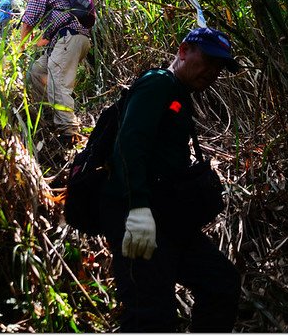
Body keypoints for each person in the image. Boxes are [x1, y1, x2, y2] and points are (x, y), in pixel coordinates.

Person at [100, 26, 241, 332]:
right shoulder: (158, 84)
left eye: (219, 67)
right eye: (208, 59)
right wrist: (137, 207)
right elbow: (128, 144)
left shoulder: (179, 96)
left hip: (166, 219)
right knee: (150, 315)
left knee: (221, 282)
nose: (212, 71)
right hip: (135, 215)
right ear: (183, 51)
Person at [11, 0, 91, 142]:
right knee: (35, 71)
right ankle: (51, 116)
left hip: (69, 37)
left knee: (57, 80)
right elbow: (46, 32)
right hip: (67, 40)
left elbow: (29, 20)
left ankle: (70, 131)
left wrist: (20, 47)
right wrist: (37, 42)